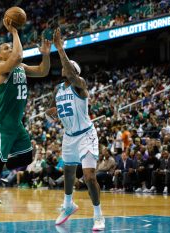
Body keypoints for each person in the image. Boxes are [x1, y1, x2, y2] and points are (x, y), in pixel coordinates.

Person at [0, 17, 51, 232]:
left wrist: (46, 55)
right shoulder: (2, 67)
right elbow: (18, 54)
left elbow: (43, 71)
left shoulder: (20, 66)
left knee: (27, 158)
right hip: (1, 125)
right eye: (6, 48)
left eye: (10, 46)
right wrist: (15, 32)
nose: (10, 49)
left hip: (16, 125)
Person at [46, 28, 105, 231]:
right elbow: (58, 110)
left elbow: (70, 73)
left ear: (75, 72)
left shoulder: (80, 85)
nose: (65, 67)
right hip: (69, 137)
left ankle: (98, 215)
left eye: (69, 67)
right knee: (69, 173)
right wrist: (52, 112)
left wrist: (60, 48)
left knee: (89, 177)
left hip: (86, 135)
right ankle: (68, 205)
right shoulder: (58, 90)